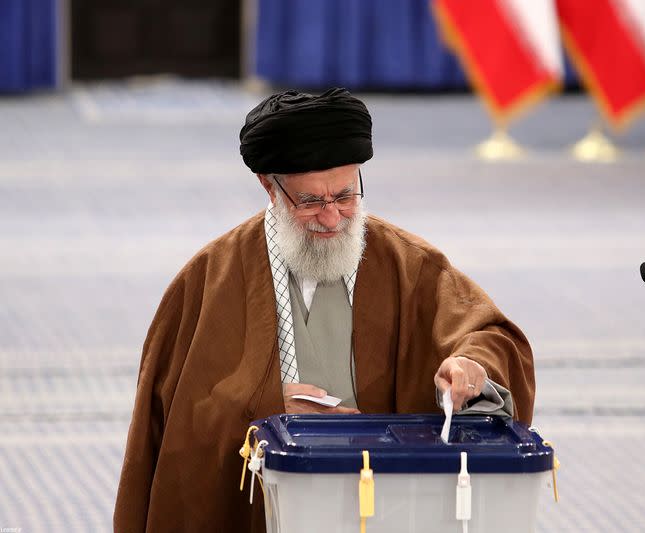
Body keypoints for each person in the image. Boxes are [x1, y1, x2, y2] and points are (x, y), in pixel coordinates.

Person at [114, 88, 535, 532]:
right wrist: (266, 407)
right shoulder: (206, 281)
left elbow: (487, 334)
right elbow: (177, 426)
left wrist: (472, 366)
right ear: (269, 187)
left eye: (345, 195)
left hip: (387, 510)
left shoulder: (409, 264)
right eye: (310, 202)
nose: (332, 217)